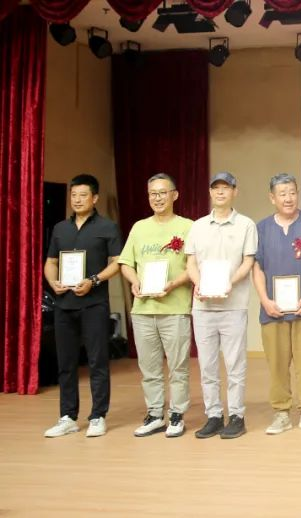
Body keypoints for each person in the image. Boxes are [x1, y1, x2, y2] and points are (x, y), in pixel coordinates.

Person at [43, 174, 122, 438]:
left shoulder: (108, 227)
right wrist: (52, 281)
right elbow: (51, 262)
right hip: (63, 304)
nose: (77, 200)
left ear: (94, 198)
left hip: (94, 304)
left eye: (83, 195)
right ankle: (68, 416)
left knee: (97, 361)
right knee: (66, 363)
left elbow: (117, 262)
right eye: (74, 195)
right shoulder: (60, 228)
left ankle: (98, 415)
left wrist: (94, 280)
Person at [118, 173, 195, 438]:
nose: (157, 198)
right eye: (153, 193)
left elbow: (194, 266)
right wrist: (134, 281)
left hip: (175, 309)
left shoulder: (188, 227)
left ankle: (177, 414)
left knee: (178, 367)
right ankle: (154, 414)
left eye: (162, 193)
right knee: (149, 368)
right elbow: (126, 263)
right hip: (143, 309)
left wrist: (173, 284)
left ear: (175, 195)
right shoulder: (139, 227)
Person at [185, 172, 257, 439]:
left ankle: (236, 415)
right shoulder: (198, 226)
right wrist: (199, 284)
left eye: (226, 188)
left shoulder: (246, 225)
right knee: (207, 365)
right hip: (203, 307)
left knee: (235, 364)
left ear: (235, 192)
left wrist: (229, 282)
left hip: (233, 305)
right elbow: (191, 263)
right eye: (216, 188)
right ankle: (213, 415)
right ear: (210, 192)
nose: (220, 192)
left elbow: (248, 262)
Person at [252, 173, 301, 435]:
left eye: (292, 192)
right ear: (272, 198)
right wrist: (264, 300)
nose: (288, 198)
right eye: (282, 194)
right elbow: (257, 267)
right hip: (273, 309)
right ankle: (281, 412)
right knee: (277, 363)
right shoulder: (261, 228)